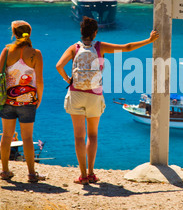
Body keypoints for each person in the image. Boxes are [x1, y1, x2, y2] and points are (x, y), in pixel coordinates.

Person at [56, 16, 159, 184]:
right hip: (94, 96)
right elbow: (127, 47)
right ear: (95, 32)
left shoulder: (74, 48)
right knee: (93, 135)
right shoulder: (100, 47)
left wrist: (68, 80)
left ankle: (82, 175)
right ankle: (91, 173)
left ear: (81, 32)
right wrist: (149, 40)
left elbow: (58, 66)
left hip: (76, 94)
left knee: (78, 137)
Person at [0, 20, 45, 183]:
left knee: (6, 136)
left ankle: (5, 171)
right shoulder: (35, 53)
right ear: (29, 34)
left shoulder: (6, 51)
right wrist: (38, 99)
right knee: (27, 138)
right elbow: (39, 82)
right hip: (28, 102)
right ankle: (31, 174)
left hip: (7, 100)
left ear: (14, 34)